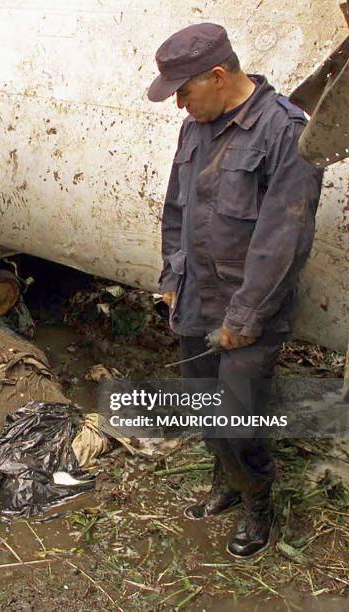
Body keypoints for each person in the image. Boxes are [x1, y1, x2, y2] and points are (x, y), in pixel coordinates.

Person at [148, 23, 323, 557]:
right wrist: (172, 278)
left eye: (184, 91)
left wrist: (244, 318)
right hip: (197, 296)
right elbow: (177, 209)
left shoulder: (285, 132)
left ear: (219, 76)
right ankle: (226, 482)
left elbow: (283, 240)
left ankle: (258, 504)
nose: (179, 105)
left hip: (250, 308)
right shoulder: (196, 127)